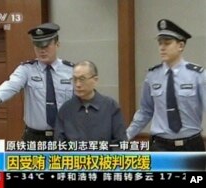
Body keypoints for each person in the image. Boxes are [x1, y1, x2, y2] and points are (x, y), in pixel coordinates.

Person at [0, 22, 74, 141]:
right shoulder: (27, 69)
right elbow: (12, 84)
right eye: (38, 46)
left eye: (46, 46)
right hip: (34, 138)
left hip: (64, 136)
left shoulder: (71, 70)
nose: (42, 50)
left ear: (57, 44)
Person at [127, 19, 206, 152]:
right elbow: (145, 111)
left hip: (191, 145)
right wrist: (126, 135)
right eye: (160, 43)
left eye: (167, 43)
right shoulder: (152, 76)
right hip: (160, 145)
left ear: (180, 46)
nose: (162, 47)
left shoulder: (198, 75)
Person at [54, 60, 127, 149]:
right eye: (74, 79)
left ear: (95, 80)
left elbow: (120, 143)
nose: (77, 84)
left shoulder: (110, 106)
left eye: (82, 79)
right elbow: (59, 145)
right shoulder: (66, 109)